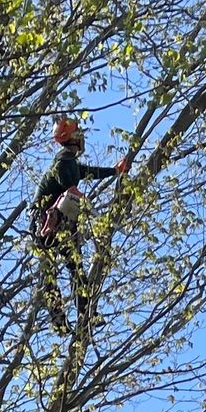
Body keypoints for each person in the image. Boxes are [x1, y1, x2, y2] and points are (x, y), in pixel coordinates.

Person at [33, 115, 126, 327]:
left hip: (63, 222)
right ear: (74, 137)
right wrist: (94, 215)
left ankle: (85, 315)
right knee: (55, 272)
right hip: (48, 219)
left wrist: (114, 171)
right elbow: (71, 190)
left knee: (74, 269)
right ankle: (64, 318)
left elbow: (88, 172)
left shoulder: (71, 163)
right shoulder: (64, 160)